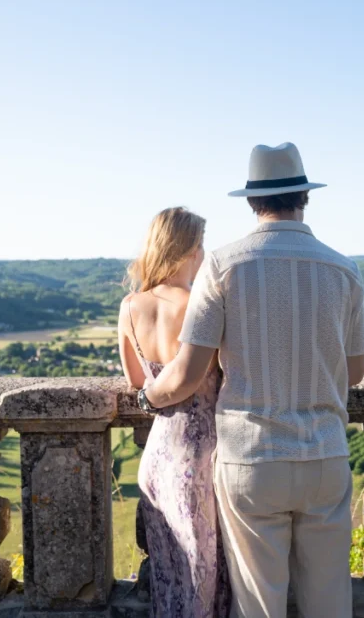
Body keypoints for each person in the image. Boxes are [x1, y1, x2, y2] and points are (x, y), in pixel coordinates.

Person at [139, 143, 364, 618]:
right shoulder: (343, 269)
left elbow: (186, 374)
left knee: (258, 607)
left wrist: (147, 396)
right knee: (330, 604)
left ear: (251, 201)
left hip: (252, 460)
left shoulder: (223, 267)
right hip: (325, 452)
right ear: (304, 197)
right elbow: (354, 372)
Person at [118, 207, 231, 618]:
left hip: (157, 456)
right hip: (198, 456)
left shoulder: (130, 306)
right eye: (200, 245)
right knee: (204, 577)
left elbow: (135, 379)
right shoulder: (198, 306)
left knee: (169, 580)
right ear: (189, 251)